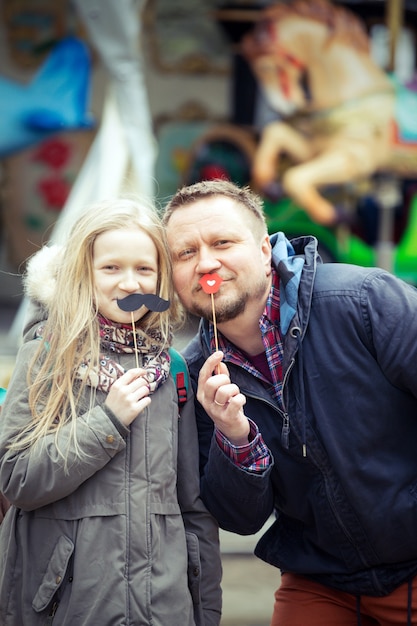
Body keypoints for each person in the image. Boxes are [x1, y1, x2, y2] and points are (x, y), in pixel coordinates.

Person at [163, 178, 417, 626]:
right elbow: (240, 519)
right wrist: (233, 436)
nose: (206, 262)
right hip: (321, 578)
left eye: (222, 242)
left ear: (264, 250)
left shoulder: (364, 301)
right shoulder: (196, 374)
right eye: (186, 253)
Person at [0, 197, 222, 626]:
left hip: (164, 605)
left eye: (143, 269)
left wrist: (204, 609)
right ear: (85, 274)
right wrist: (107, 421)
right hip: (69, 606)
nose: (128, 284)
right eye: (111, 268)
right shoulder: (46, 355)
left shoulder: (172, 368)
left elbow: (190, 505)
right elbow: (16, 477)